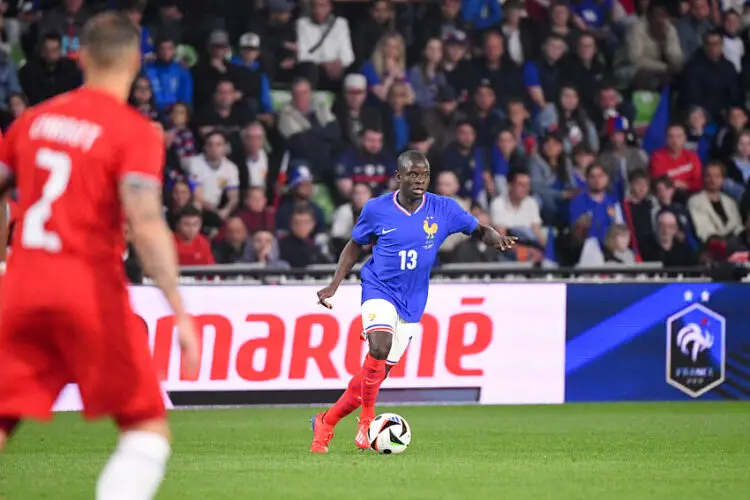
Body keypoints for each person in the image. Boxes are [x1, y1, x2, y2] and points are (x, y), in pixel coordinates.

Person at [0, 13, 199, 500]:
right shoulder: (134, 132)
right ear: (136, 61)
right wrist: (178, 307)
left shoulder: (32, 121)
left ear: (81, 57)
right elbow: (147, 223)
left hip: (21, 287)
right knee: (146, 428)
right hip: (87, 292)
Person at [310, 150, 517, 453]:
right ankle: (366, 423)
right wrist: (334, 284)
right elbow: (354, 246)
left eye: (424, 175)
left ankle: (325, 422)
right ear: (399, 177)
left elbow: (478, 230)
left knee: (374, 375)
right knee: (378, 347)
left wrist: (495, 237)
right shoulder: (376, 209)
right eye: (412, 174)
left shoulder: (443, 208)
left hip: (413, 299)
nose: (419, 180)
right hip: (378, 288)